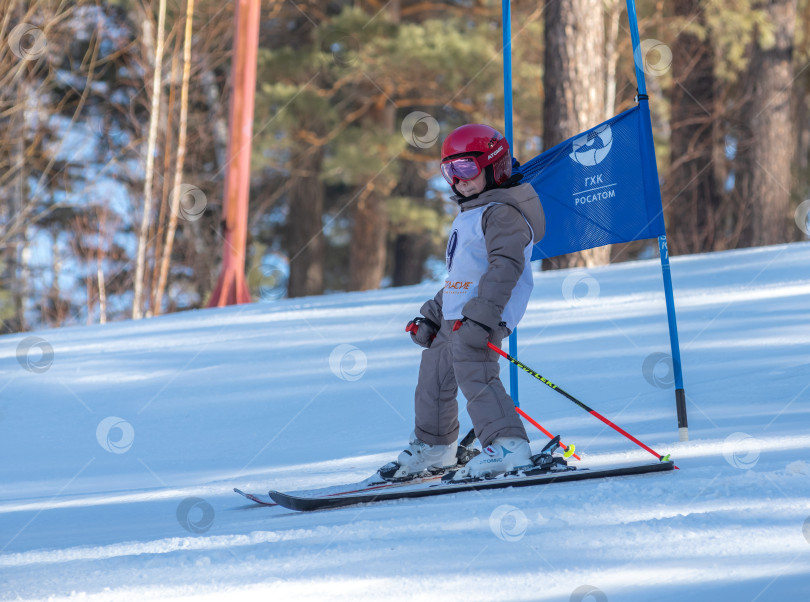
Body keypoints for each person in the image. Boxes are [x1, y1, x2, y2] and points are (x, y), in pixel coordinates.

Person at [383, 123, 545, 481]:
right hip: (457, 317)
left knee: (477, 375)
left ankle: (508, 446)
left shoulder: (502, 213)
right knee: (434, 376)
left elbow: (506, 267)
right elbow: (461, 279)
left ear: (494, 166)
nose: (459, 180)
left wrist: (483, 317)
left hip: (485, 315)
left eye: (467, 168)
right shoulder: (470, 214)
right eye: (449, 171)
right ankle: (436, 445)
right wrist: (432, 315)